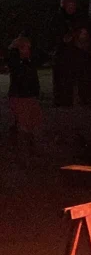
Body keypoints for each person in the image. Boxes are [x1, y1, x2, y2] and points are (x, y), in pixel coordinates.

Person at [52, 0, 91, 107]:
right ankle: (63, 103)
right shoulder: (58, 19)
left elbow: (88, 33)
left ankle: (87, 102)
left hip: (80, 55)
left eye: (73, 5)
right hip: (64, 56)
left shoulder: (81, 17)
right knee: (63, 83)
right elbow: (56, 37)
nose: (71, 8)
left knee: (85, 80)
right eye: (68, 5)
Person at [6, 34, 42, 164]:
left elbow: (33, 78)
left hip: (30, 95)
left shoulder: (28, 62)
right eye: (25, 48)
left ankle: (30, 150)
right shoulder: (16, 63)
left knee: (33, 123)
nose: (28, 50)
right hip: (20, 96)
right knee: (23, 125)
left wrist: (36, 92)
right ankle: (21, 153)